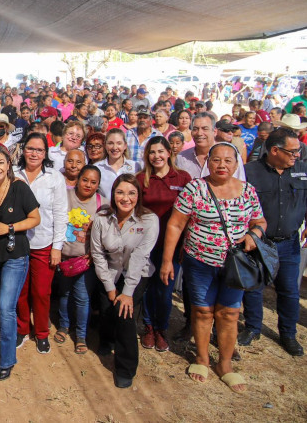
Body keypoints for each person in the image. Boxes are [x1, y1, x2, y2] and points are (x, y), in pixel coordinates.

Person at [161, 143, 266, 392]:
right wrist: (167, 260)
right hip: (199, 262)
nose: (222, 165)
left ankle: (225, 364)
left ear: (236, 164)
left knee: (229, 314)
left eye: (228, 161)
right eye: (216, 160)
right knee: (202, 311)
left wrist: (254, 234)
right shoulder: (195, 188)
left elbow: (259, 220)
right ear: (208, 162)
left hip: (235, 266)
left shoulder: (247, 191)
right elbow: (176, 225)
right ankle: (202, 358)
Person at [240, 128, 306, 356]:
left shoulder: (302, 171)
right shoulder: (250, 172)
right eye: (292, 151)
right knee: (254, 287)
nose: (297, 155)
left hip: (289, 242)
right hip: (259, 242)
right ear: (275, 150)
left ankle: (288, 334)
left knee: (289, 290)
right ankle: (252, 327)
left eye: (298, 151)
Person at [0, 146, 40, 381]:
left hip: (15, 256)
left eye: (1, 162)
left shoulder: (19, 188)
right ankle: (3, 344)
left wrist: (9, 227)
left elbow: (35, 218)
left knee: (6, 307)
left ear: (8, 164)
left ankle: (6, 359)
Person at [91, 174, 159, 388]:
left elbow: (140, 257)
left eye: (131, 193)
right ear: (113, 195)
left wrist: (127, 293)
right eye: (120, 192)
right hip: (110, 270)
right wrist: (110, 288)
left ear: (138, 195)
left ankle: (125, 367)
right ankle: (106, 339)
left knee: (124, 313)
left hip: (137, 273)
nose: (125, 198)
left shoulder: (149, 220)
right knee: (106, 306)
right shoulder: (102, 218)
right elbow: (98, 253)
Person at [136, 136, 191, 352]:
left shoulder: (183, 178)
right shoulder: (141, 179)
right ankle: (149, 327)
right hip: (146, 243)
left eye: (160, 151)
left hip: (173, 245)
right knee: (148, 287)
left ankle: (161, 328)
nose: (156, 156)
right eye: (152, 152)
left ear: (169, 152)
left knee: (165, 289)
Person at [14, 133, 67, 354]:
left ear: (45, 154)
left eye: (39, 150)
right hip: (17, 243)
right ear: (23, 150)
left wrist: (57, 246)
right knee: (20, 291)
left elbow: (60, 213)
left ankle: (42, 333)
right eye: (30, 148)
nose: (34, 153)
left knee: (42, 292)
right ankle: (22, 329)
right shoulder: (14, 174)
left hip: (43, 244)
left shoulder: (54, 177)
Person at [56, 165, 101, 354]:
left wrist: (94, 254)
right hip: (65, 257)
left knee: (82, 297)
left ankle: (81, 334)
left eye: (93, 182)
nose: (88, 185)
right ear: (78, 179)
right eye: (85, 180)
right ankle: (64, 325)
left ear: (98, 185)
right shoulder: (65, 197)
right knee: (64, 293)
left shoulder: (102, 203)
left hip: (86, 260)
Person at [177, 113, 245, 181]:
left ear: (215, 132)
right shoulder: (181, 158)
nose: (199, 133)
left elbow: (240, 185)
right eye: (195, 129)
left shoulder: (232, 156)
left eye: (205, 129)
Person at [94, 128, 139, 201]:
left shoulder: (135, 167)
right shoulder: (97, 168)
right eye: (110, 143)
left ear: (125, 146)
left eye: (119, 143)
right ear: (105, 145)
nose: (115, 147)